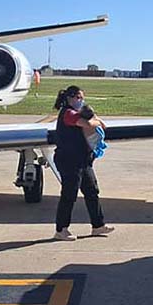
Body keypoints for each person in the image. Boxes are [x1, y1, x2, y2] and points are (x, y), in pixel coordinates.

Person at [52, 85, 115, 241]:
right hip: (69, 160)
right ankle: (61, 229)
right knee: (69, 194)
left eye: (82, 98)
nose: (81, 101)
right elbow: (87, 124)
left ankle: (98, 225)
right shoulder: (68, 114)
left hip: (82, 160)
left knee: (92, 191)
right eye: (79, 98)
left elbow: (97, 123)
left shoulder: (77, 113)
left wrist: (95, 119)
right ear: (70, 98)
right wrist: (95, 119)